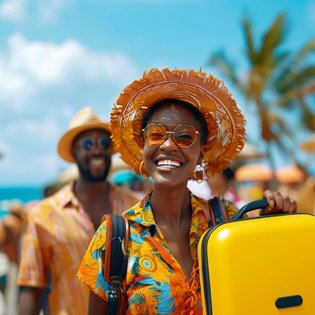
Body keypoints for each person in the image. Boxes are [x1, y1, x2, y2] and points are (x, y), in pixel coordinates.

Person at [77, 68, 297, 314]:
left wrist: (275, 226)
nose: (168, 145)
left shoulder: (228, 221)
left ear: (201, 152)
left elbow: (265, 289)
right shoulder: (115, 237)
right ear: (143, 146)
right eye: (157, 135)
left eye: (184, 137)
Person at [17, 107, 140, 315]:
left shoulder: (135, 207)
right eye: (87, 144)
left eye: (104, 143)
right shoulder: (44, 215)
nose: (97, 150)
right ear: (74, 153)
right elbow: (31, 285)